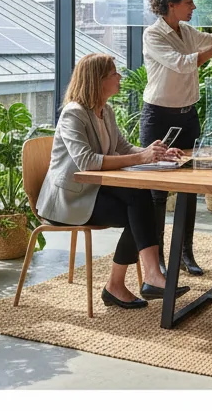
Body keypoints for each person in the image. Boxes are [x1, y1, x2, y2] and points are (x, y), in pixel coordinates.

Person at [36, 53, 190, 309]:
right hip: (69, 200)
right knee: (139, 206)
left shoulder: (104, 111)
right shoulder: (73, 114)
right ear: (97, 80)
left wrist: (155, 153)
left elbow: (122, 147)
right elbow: (87, 161)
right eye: (114, 74)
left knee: (139, 202)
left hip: (91, 192)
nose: (120, 77)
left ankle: (129, 283)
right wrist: (142, 157)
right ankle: (140, 280)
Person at [142, 0, 212, 277]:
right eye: (188, 1)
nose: (193, 6)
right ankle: (156, 260)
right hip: (159, 116)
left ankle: (185, 253)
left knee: (191, 187)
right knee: (158, 192)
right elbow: (183, 62)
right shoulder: (153, 34)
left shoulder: (184, 30)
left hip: (188, 117)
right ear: (170, 4)